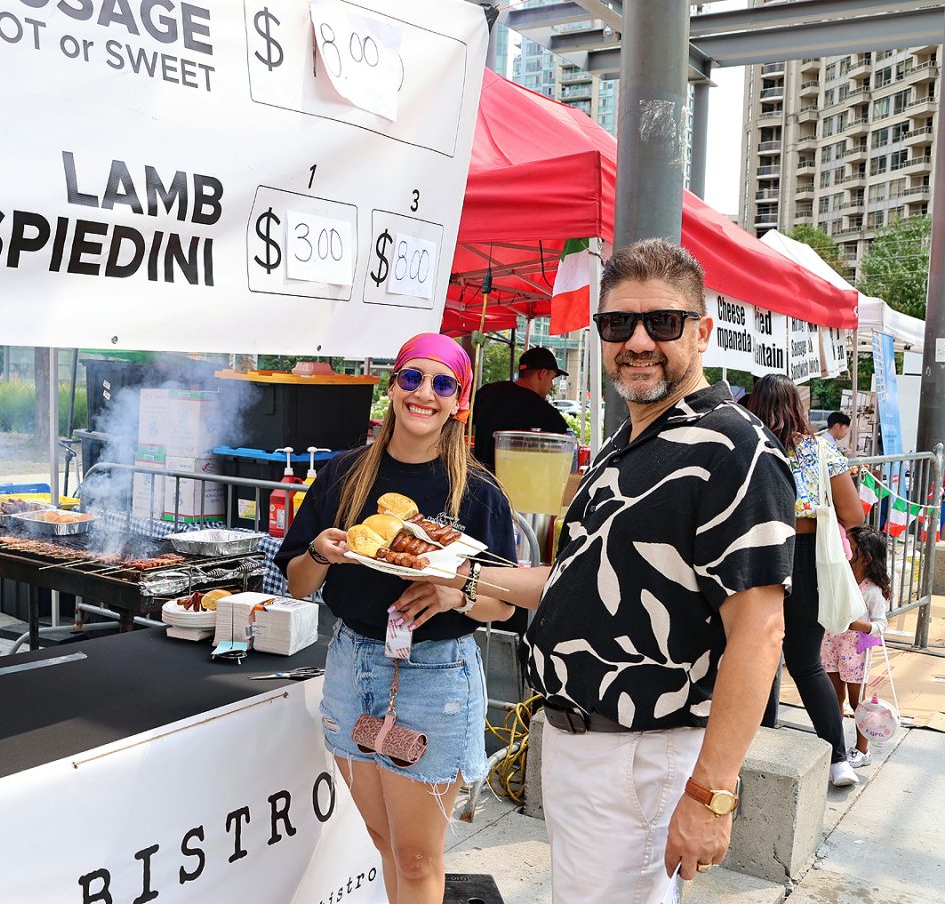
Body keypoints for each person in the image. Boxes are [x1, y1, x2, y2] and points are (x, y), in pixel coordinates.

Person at [399, 238, 797, 901]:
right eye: (618, 324)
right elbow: (571, 581)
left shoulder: (734, 449)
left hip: (640, 754)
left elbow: (760, 633)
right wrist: (460, 578)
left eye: (662, 322)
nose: (637, 341)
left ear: (701, 332)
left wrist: (712, 794)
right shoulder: (627, 442)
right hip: (581, 745)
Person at [276, 332, 517, 904]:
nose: (424, 394)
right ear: (392, 387)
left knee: (416, 856)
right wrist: (320, 553)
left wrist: (454, 597)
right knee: (384, 840)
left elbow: (505, 601)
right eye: (412, 377)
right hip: (351, 666)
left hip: (436, 676)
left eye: (442, 384)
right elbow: (298, 581)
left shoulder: (477, 490)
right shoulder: (343, 474)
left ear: (459, 400)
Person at [749, 374, 865, 787]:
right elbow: (854, 514)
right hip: (808, 559)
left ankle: (756, 747)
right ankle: (839, 760)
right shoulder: (820, 448)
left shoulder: (748, 443)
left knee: (756, 655)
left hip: (756, 556)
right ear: (797, 406)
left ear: (756, 404)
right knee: (806, 663)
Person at [821, 524, 891, 768]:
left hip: (856, 650)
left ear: (866, 557)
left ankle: (863, 750)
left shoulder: (872, 591)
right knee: (833, 699)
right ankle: (834, 745)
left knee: (857, 702)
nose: (843, 549)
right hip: (830, 644)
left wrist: (860, 626)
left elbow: (881, 624)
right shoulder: (840, 579)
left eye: (848, 546)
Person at [471, 347, 569, 470]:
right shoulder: (546, 413)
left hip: (479, 477)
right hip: (516, 480)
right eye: (552, 379)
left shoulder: (486, 392)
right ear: (542, 373)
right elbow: (565, 446)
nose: (551, 385)